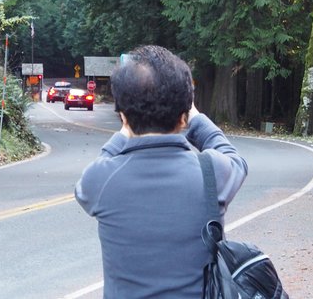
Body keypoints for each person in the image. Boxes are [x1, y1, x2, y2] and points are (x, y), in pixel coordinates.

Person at [74, 45, 248, 298]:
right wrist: (196, 119)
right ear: (184, 116)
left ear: (123, 115)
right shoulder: (212, 172)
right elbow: (234, 158)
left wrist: (126, 129)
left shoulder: (100, 180)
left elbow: (94, 173)